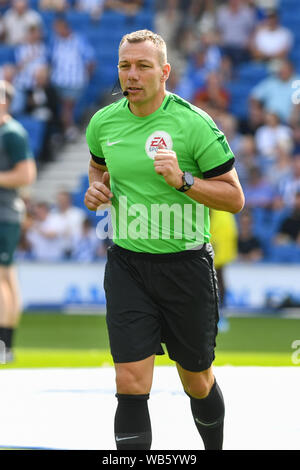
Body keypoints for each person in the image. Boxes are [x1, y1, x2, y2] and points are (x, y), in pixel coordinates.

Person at [84, 29, 244, 451]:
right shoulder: (103, 122)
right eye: (124, 66)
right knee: (130, 380)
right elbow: (97, 168)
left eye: (142, 66)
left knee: (197, 380)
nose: (131, 75)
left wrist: (184, 180)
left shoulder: (194, 124)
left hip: (186, 269)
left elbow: (234, 198)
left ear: (165, 71)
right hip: (127, 265)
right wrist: (96, 190)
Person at [0, 80, 37, 362]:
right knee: (8, 277)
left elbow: (26, 175)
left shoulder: (12, 133)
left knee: (2, 279)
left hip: (4, 214)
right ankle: (7, 347)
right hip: (6, 213)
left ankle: (4, 347)